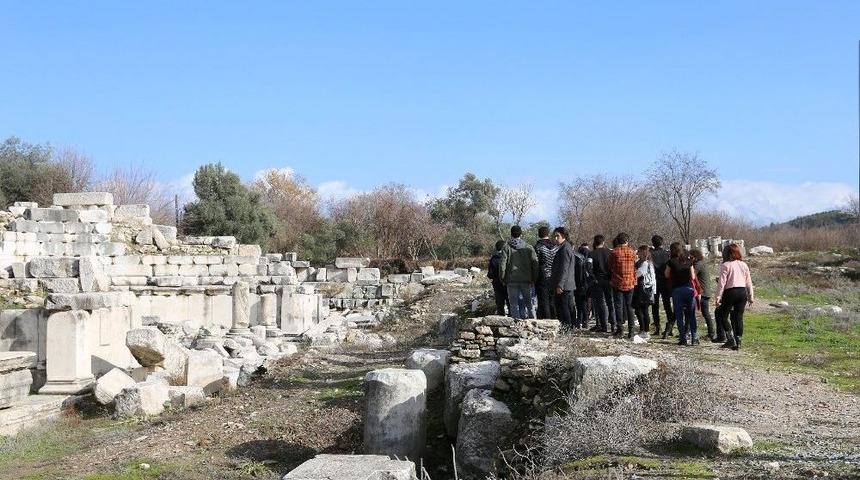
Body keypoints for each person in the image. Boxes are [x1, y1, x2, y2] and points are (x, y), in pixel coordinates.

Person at [715, 244, 754, 350]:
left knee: (722, 315)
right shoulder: (743, 265)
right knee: (738, 318)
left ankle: (730, 339)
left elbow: (721, 283)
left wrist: (718, 297)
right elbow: (748, 282)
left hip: (730, 292)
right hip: (742, 292)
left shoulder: (726, 265)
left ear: (728, 254)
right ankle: (738, 342)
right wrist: (751, 296)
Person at [499, 225, 539, 320]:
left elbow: (502, 265)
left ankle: (516, 323)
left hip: (511, 280)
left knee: (514, 304)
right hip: (526, 280)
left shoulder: (506, 248)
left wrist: (503, 279)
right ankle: (533, 321)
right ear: (521, 234)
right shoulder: (529, 247)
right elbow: (535, 264)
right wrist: (534, 278)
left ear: (511, 234)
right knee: (529, 303)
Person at [665, 242, 698, 345]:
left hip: (677, 290)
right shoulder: (689, 261)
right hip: (689, 289)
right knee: (691, 314)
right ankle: (694, 337)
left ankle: (683, 338)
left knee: (679, 315)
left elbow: (666, 275)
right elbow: (693, 276)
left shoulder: (671, 262)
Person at [609, 232, 637, 338]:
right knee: (630, 307)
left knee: (618, 306)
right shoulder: (632, 252)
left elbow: (610, 266)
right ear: (627, 241)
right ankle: (631, 331)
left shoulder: (614, 252)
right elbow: (635, 265)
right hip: (630, 282)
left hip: (618, 282)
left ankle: (620, 330)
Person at [549, 227, 577, 327]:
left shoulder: (565, 249)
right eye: (554, 236)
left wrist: (560, 285)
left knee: (564, 308)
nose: (555, 238)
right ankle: (571, 327)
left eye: (558, 236)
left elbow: (564, 269)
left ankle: (567, 328)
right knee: (568, 307)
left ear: (564, 236)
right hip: (566, 284)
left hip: (564, 285)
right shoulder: (565, 247)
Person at [589, 235, 615, 333]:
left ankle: (603, 326)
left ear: (594, 242)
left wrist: (593, 277)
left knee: (600, 303)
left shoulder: (591, 254)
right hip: (609, 280)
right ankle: (613, 325)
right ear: (603, 242)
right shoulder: (610, 252)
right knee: (610, 302)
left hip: (597, 281)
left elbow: (588, 267)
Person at [690, 248, 718, 341]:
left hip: (702, 292)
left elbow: (692, 275)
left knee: (699, 312)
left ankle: (710, 333)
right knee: (705, 313)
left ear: (695, 257)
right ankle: (711, 333)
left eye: (691, 257)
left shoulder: (698, 264)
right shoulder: (702, 263)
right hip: (705, 291)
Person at [534, 226, 560, 319]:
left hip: (542, 276)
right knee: (553, 300)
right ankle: (554, 319)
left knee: (543, 300)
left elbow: (535, 264)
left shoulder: (538, 247)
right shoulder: (556, 246)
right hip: (554, 276)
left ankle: (546, 320)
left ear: (539, 234)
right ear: (548, 234)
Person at [650, 235, 673, 337]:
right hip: (665, 281)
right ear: (662, 243)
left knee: (655, 306)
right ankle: (670, 328)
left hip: (654, 282)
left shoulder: (651, 254)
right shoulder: (667, 254)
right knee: (667, 305)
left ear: (653, 243)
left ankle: (657, 328)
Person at [633, 245, 656, 338]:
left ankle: (644, 330)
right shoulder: (646, 262)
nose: (637, 254)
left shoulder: (645, 263)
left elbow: (638, 274)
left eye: (638, 252)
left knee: (641, 310)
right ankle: (644, 329)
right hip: (645, 289)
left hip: (643, 289)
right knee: (642, 310)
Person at [487, 240, 508, 316]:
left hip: (497, 283)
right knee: (510, 302)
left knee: (500, 303)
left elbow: (490, 274)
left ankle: (500, 318)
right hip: (508, 282)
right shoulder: (509, 257)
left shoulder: (494, 258)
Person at [574, 243, 593, 329]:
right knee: (585, 303)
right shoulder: (590, 258)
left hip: (578, 283)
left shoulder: (576, 258)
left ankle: (579, 321)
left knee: (579, 304)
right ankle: (585, 321)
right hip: (587, 284)